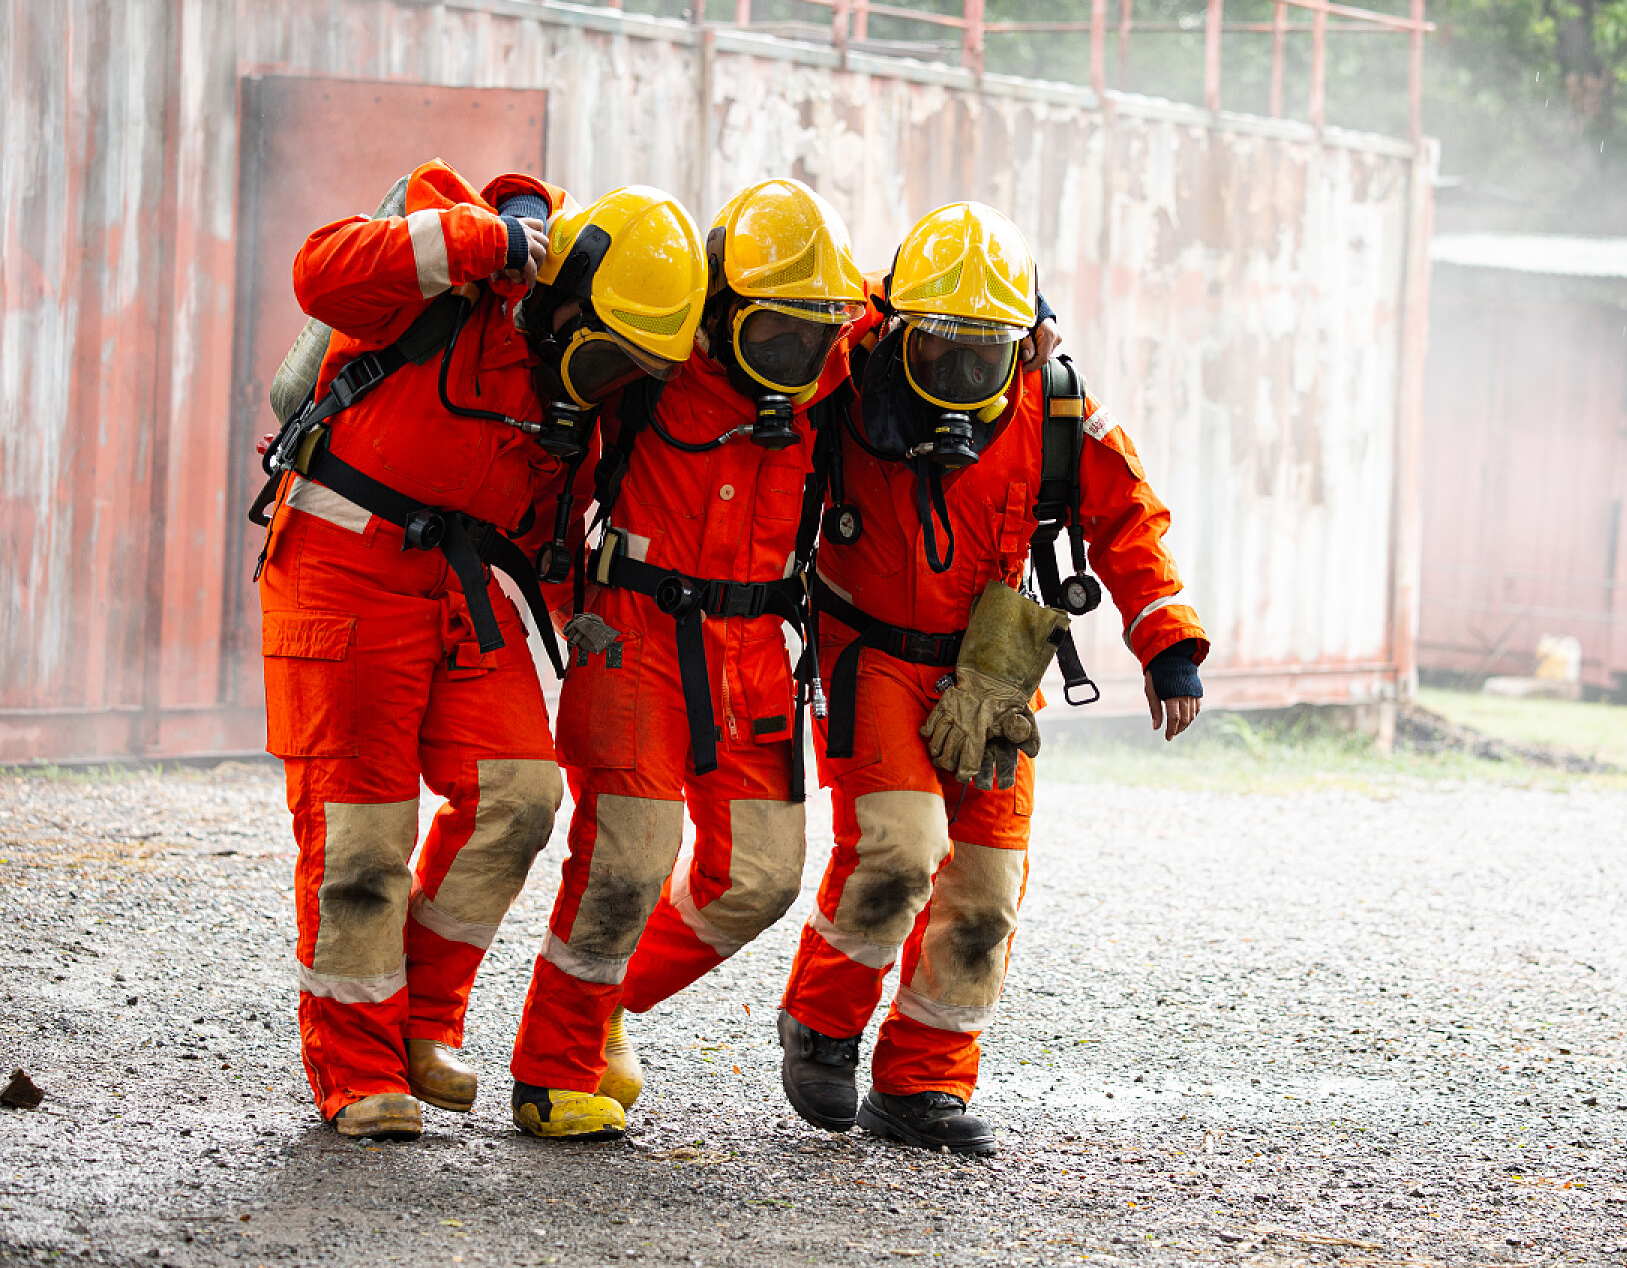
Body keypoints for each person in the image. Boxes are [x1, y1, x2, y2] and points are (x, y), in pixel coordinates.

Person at [259, 163, 707, 1139]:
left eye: (630, 370)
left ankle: (419, 1021)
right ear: (565, 299)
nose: (607, 383)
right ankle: (356, 1068)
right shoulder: (453, 278)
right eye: (607, 356)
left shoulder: (568, 402)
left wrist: (580, 616)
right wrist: (480, 241)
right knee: (361, 838)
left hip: (460, 588)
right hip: (343, 568)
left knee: (520, 794)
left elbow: (547, 528)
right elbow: (317, 273)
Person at [774, 201, 1207, 1156]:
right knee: (899, 848)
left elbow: (1129, 518)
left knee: (987, 887)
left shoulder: (1056, 403)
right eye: (940, 346)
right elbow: (813, 324)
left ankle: (922, 1082)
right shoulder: (848, 372)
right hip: (869, 652)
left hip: (992, 664)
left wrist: (1167, 643)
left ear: (1025, 339)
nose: (963, 371)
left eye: (986, 352)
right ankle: (822, 1026)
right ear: (901, 328)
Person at [506, 178, 873, 1140]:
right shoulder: (651, 364)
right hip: (635, 632)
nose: (796, 357)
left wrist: (1034, 322)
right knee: (626, 860)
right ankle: (551, 1073)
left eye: (814, 334)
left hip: (754, 649)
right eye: (775, 334)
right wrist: (564, 607)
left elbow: (916, 316)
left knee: (759, 877)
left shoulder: (831, 361)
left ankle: (603, 1003)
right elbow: (552, 478)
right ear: (720, 308)